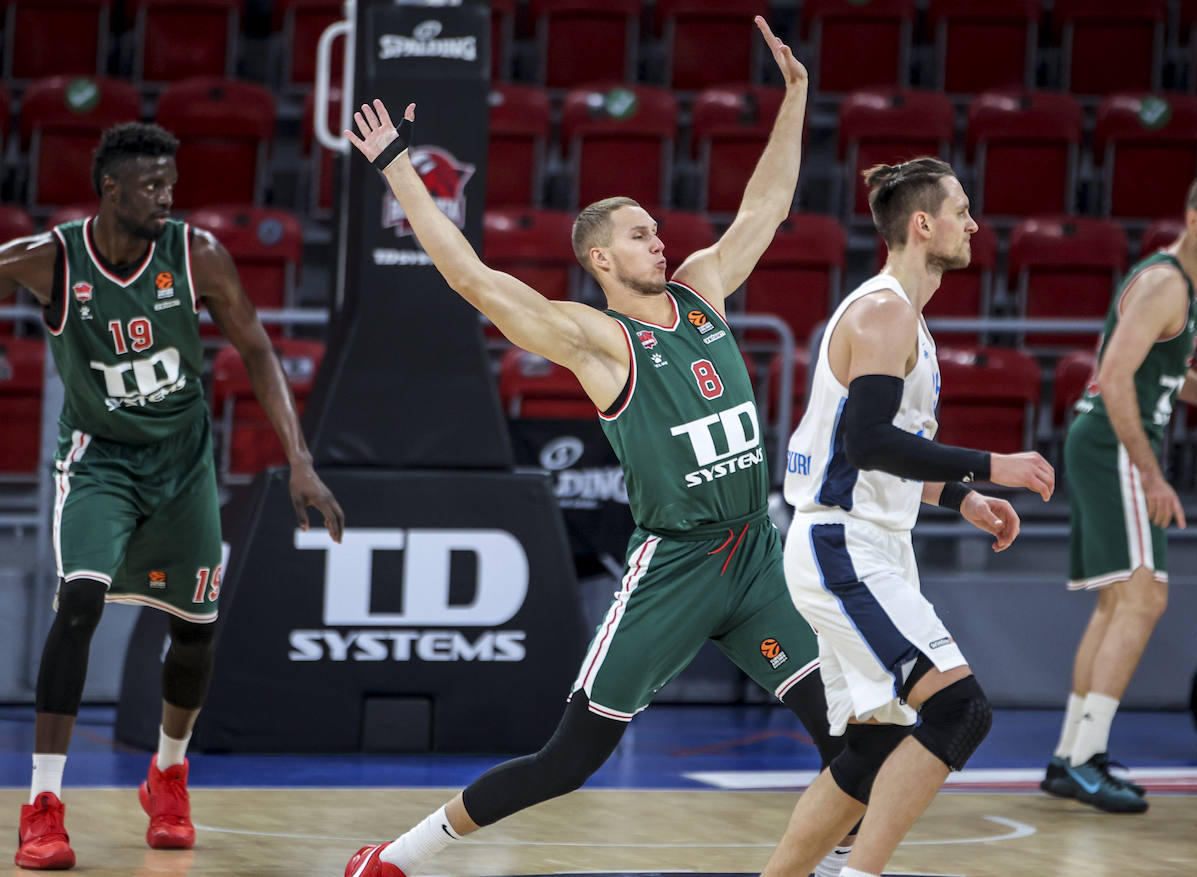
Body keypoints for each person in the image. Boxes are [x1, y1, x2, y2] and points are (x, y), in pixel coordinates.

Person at [341, 19, 858, 877]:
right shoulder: (597, 341)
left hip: (756, 553)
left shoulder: (702, 289)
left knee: (844, 731)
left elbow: (766, 206)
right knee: (570, 759)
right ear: (599, 258)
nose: (658, 240)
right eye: (638, 235)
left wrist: (797, 99)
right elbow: (474, 278)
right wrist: (399, 165)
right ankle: (396, 856)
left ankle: (844, 860)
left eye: (657, 230)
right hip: (678, 565)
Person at [0, 122, 344, 870]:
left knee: (196, 628)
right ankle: (43, 804)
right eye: (150, 186)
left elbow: (255, 346)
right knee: (80, 601)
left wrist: (301, 460)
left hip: (183, 464)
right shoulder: (48, 259)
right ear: (110, 189)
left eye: (170, 185)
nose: (166, 197)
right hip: (100, 463)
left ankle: (169, 775)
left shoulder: (196, 254)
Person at [760, 157, 1056, 877]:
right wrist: (993, 465)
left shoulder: (904, 316)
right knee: (961, 711)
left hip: (865, 540)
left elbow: (874, 451)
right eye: (961, 210)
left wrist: (960, 496)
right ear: (923, 225)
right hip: (843, 545)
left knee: (874, 746)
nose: (973, 224)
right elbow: (867, 442)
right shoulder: (885, 309)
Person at [1040, 172, 1197, 813]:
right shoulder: (1166, 283)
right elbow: (1114, 376)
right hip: (1113, 445)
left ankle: (1071, 755)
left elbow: (1168, 370)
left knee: (1117, 604)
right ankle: (1088, 757)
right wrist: (1150, 472)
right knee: (1146, 598)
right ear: (1194, 217)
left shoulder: (1177, 287)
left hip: (1100, 442)